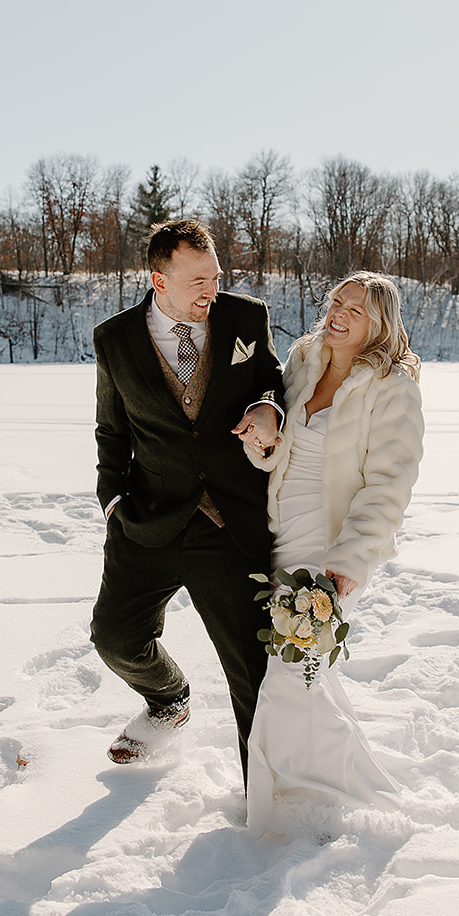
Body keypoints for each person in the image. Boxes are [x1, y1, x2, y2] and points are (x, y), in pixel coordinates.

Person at [91, 218, 285, 784]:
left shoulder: (245, 318)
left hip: (230, 525)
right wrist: (111, 501)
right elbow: (111, 428)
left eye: (216, 276)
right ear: (159, 279)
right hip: (148, 518)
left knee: (252, 669)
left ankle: (266, 795)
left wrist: (268, 408)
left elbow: (271, 377)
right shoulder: (116, 339)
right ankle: (168, 699)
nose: (212, 290)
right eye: (198, 280)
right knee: (116, 639)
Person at [241, 271, 425, 837]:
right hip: (274, 531)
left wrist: (349, 559)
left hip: (328, 547)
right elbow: (284, 453)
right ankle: (296, 782)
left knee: (289, 670)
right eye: (336, 302)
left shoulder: (392, 386)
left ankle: (310, 794)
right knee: (298, 670)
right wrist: (263, 444)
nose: (339, 315)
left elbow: (389, 483)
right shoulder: (305, 359)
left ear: (381, 325)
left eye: (356, 310)